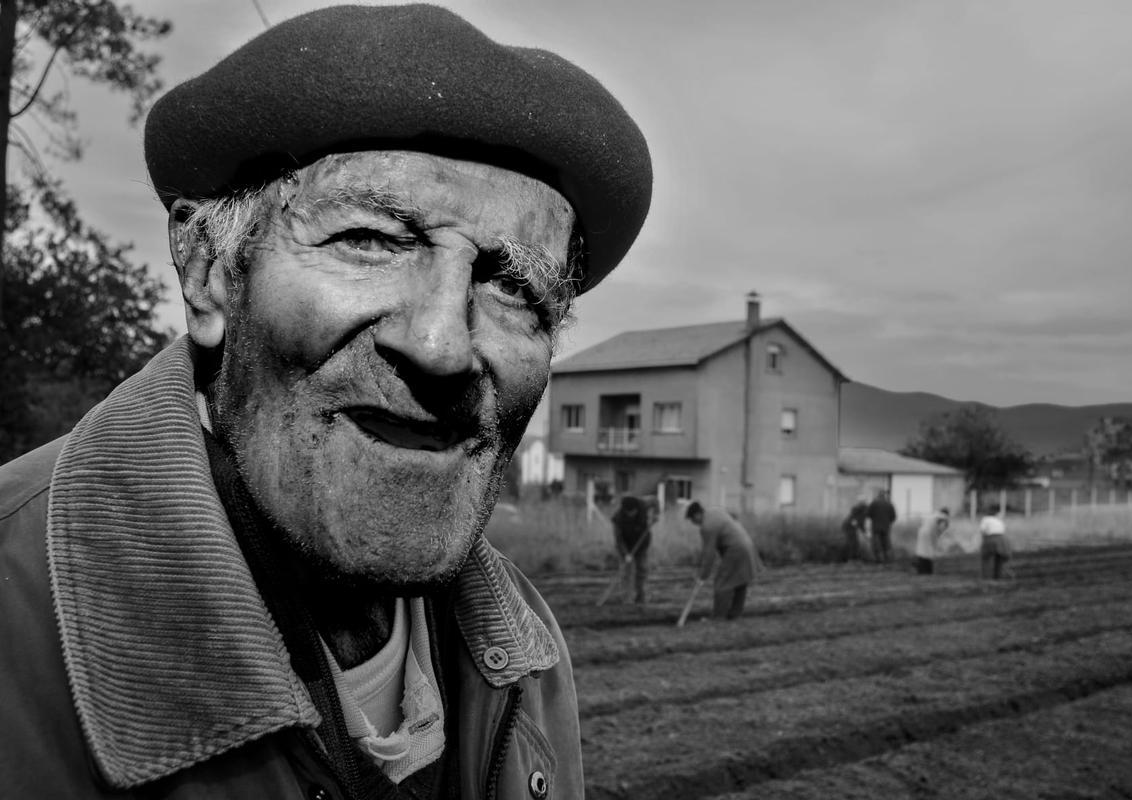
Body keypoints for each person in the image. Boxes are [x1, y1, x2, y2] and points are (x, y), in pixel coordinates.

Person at [0, 5, 652, 799]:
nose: (443, 345)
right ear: (208, 270)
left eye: (513, 286)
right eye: (369, 240)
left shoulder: (526, 646)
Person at [684, 501, 760, 621]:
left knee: (721, 581)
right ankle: (735, 615)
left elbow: (709, 554)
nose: (694, 523)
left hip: (735, 549)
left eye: (692, 520)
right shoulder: (715, 510)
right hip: (747, 543)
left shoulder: (707, 526)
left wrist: (702, 576)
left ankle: (718, 617)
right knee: (740, 581)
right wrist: (701, 568)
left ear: (697, 514)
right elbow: (733, 518)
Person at [611, 494, 653, 604]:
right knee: (626, 572)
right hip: (625, 545)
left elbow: (656, 502)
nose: (631, 515)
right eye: (628, 513)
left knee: (642, 570)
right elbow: (619, 539)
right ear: (624, 511)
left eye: (633, 512)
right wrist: (626, 554)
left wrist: (655, 516)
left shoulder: (644, 507)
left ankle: (642, 597)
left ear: (637, 509)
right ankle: (627, 599)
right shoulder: (618, 519)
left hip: (642, 544)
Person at [912, 507, 951, 575]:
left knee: (922, 551)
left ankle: (921, 568)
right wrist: (938, 535)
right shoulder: (944, 517)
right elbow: (941, 528)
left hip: (922, 532)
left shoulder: (934, 515)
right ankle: (925, 570)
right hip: (928, 533)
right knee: (928, 553)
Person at [979, 504, 1013, 579]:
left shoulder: (985, 519)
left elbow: (982, 531)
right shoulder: (999, 520)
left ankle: (987, 577)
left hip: (990, 539)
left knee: (986, 559)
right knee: (1000, 559)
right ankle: (999, 576)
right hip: (1002, 539)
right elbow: (1004, 530)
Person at [867, 489, 898, 563]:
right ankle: (888, 559)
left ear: (878, 495)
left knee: (876, 544)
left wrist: (874, 519)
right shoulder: (889, 504)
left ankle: (878, 560)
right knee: (886, 544)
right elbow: (893, 516)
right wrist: (888, 522)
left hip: (876, 528)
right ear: (884, 496)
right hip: (886, 527)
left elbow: (868, 514)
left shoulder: (874, 503)